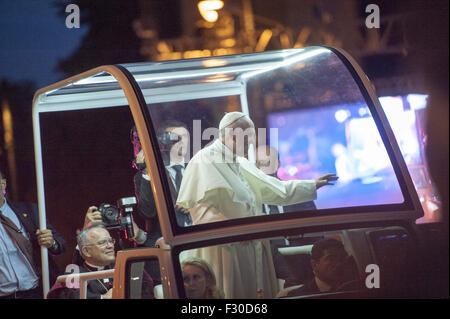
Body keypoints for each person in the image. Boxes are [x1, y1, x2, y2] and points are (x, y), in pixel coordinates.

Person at [176, 112, 338, 298]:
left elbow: (276, 190)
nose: (251, 143)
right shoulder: (205, 159)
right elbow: (203, 211)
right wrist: (234, 230)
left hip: (247, 246)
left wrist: (312, 184)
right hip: (224, 250)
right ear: (233, 134)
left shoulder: (240, 162)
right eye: (248, 137)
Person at [0, 170, 66, 299]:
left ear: (3, 184)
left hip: (36, 291)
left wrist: (51, 243)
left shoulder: (29, 211)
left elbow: (61, 244)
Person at [47, 223, 154, 299]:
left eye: (110, 241)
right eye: (103, 242)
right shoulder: (74, 271)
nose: (110, 246)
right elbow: (72, 296)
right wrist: (102, 298)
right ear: (86, 251)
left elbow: (146, 289)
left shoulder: (125, 265)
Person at [278, 238, 358, 297]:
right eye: (331, 259)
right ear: (314, 264)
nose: (339, 263)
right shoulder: (297, 296)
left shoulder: (355, 289)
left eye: (342, 258)